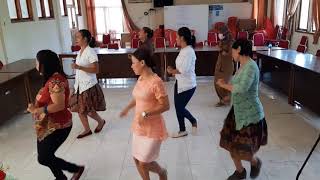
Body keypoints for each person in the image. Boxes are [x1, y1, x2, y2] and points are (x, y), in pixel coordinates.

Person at [27, 50, 84, 180]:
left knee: (44, 157)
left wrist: (37, 110)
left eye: (37, 61)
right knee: (47, 156)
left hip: (58, 126)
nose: (35, 64)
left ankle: (74, 169)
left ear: (43, 64)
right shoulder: (51, 78)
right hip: (47, 125)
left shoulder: (55, 81)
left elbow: (59, 105)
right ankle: (61, 177)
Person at [217, 39, 268, 180]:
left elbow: (242, 88)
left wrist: (223, 85)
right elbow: (237, 88)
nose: (231, 54)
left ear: (238, 49)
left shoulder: (251, 67)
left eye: (233, 51)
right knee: (232, 145)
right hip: (237, 112)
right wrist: (228, 97)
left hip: (250, 115)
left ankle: (255, 162)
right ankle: (240, 172)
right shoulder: (242, 65)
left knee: (242, 149)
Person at [120, 48, 169, 180]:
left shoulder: (156, 82)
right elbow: (138, 97)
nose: (131, 66)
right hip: (139, 125)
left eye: (133, 63)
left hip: (152, 127)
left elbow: (165, 105)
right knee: (137, 159)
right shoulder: (141, 78)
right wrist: (127, 108)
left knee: (144, 162)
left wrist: (145, 113)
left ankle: (162, 172)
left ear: (142, 63)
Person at [70, 29, 106, 139]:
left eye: (78, 37)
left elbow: (96, 70)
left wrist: (79, 67)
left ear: (85, 39)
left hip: (89, 86)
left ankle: (101, 121)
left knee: (89, 111)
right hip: (80, 85)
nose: (76, 39)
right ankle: (87, 129)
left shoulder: (90, 52)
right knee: (80, 109)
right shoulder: (80, 52)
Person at [167, 27, 198, 138]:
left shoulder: (189, 51)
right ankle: (182, 130)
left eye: (177, 36)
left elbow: (183, 70)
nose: (175, 38)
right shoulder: (184, 50)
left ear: (182, 38)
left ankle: (193, 121)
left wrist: (172, 71)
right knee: (178, 107)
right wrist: (173, 70)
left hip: (188, 85)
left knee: (179, 108)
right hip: (180, 83)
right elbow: (180, 67)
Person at [214, 25, 234, 107]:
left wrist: (226, 53)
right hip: (219, 66)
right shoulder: (222, 41)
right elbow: (220, 50)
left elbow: (233, 53)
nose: (219, 34)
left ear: (225, 33)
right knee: (216, 83)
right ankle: (222, 99)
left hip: (227, 67)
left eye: (220, 33)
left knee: (222, 84)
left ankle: (227, 99)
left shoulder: (231, 42)